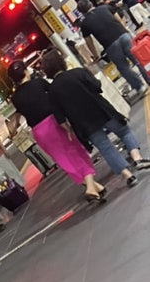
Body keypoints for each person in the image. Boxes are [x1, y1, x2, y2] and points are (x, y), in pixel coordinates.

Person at [41, 48, 150, 189]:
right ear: (61, 62)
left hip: (84, 124)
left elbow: (60, 117)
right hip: (102, 112)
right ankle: (137, 158)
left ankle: (128, 176)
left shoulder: (52, 91)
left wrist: (69, 130)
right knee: (124, 132)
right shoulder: (78, 72)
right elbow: (97, 87)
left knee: (105, 147)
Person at [7, 59, 106, 200]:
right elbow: (56, 94)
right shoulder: (39, 83)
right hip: (55, 122)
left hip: (39, 132)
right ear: (25, 71)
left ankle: (95, 187)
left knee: (64, 160)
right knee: (76, 151)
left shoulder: (15, 98)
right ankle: (90, 188)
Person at [76, 0, 150, 96]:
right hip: (123, 36)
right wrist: (127, 32)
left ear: (82, 12)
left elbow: (89, 42)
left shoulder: (84, 24)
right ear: (91, 4)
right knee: (137, 59)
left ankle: (140, 87)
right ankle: (149, 78)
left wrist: (95, 55)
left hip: (110, 45)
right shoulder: (105, 7)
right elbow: (119, 20)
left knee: (123, 67)